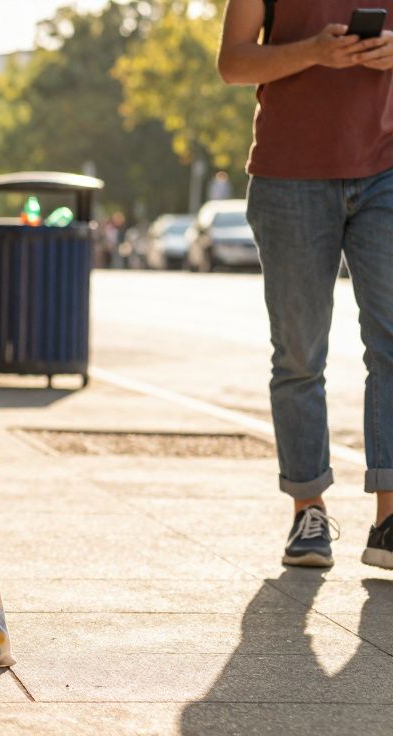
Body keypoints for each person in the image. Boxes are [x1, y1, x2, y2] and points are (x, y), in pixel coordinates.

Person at [220, 0, 393, 569]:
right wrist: (314, 52)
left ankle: (389, 519)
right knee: (298, 354)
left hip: (386, 172)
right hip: (288, 176)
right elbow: (233, 62)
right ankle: (308, 511)